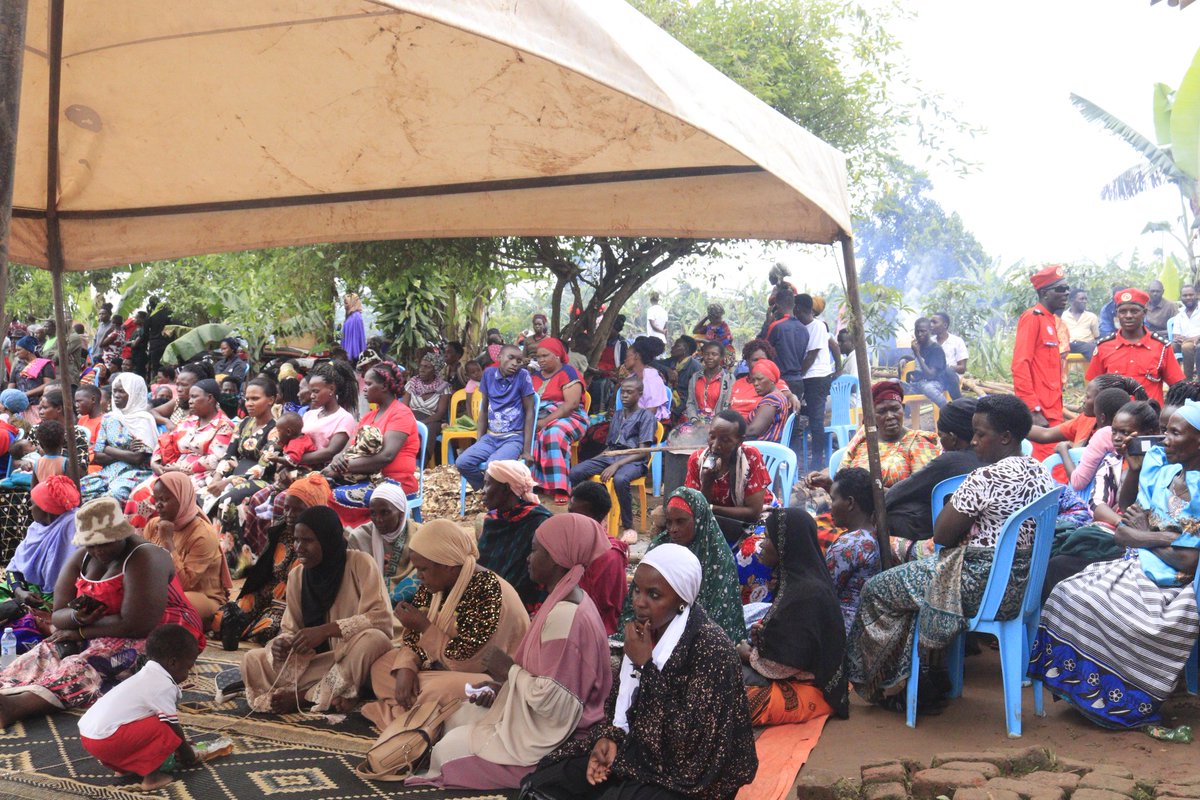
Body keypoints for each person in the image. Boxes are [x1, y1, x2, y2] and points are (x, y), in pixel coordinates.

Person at [845, 395, 1056, 713]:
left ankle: (888, 683)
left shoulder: (986, 477)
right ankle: (927, 675)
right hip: (1020, 586)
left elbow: (942, 535)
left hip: (978, 586)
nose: (973, 441)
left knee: (877, 589)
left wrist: (958, 497)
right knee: (910, 577)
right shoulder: (1040, 472)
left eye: (980, 434)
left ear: (1006, 437)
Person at [528, 544, 757, 800]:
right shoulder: (645, 631)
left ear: (682, 599)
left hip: (695, 774)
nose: (638, 601)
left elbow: (687, 747)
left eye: (654, 595)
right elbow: (621, 708)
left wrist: (645, 666)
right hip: (645, 747)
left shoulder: (710, 648)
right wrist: (611, 738)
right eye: (637, 589)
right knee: (551, 777)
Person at [1028, 400, 1200, 729]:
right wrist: (1154, 535)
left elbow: (1188, 561)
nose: (1164, 440)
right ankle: (1090, 693)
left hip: (1173, 585)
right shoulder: (1165, 472)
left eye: (1174, 434)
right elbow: (1123, 530)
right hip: (1137, 565)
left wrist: (1144, 534)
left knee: (1109, 608)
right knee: (1066, 592)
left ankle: (1125, 701)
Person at [411, 513, 612, 789]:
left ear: (556, 558)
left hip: (564, 735)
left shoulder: (565, 615)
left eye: (535, 550)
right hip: (535, 714)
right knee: (459, 715)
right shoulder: (565, 600)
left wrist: (507, 670)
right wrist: (501, 686)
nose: (528, 558)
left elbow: (558, 704)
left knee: (447, 753)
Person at [0, 496, 204, 728]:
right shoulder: (83, 558)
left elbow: (139, 624)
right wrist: (76, 618)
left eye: (105, 542)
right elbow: (59, 614)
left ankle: (19, 705)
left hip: (164, 633)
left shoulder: (145, 557)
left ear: (121, 534)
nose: (98, 550)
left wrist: (81, 632)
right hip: (104, 628)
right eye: (91, 544)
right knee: (49, 647)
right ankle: (7, 686)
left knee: (91, 661)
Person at [363, 518, 530, 728]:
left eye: (423, 569)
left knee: (438, 690)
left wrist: (425, 627)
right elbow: (412, 639)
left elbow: (469, 663)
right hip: (439, 667)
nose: (419, 576)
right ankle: (416, 715)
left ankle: (404, 715)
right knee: (381, 667)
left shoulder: (488, 591)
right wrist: (406, 667)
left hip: (486, 678)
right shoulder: (434, 584)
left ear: (448, 566)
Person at [241, 506, 392, 713]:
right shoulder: (297, 577)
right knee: (252, 660)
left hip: (354, 655)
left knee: (375, 640)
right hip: (321, 663)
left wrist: (326, 631)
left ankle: (305, 697)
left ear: (327, 539)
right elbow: (290, 629)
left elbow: (381, 619)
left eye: (308, 540)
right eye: (296, 539)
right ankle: (340, 691)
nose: (299, 547)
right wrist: (281, 645)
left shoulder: (360, 563)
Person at [1041, 399, 1162, 599]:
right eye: (1114, 431)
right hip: (1117, 532)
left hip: (1142, 539)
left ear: (1149, 433)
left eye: (1125, 432)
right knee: (1056, 561)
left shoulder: (1164, 465)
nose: (1117, 438)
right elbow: (1097, 505)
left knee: (1062, 566)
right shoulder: (1112, 462)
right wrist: (1121, 524)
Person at [740, 510, 849, 724]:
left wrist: (748, 655)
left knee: (719, 683)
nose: (762, 545)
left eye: (769, 539)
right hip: (798, 675)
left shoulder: (805, 594)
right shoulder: (799, 583)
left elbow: (787, 664)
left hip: (807, 686)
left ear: (785, 545)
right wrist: (763, 635)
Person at [77, 624, 202, 791]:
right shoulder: (162, 684)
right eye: (188, 667)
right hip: (107, 741)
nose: (188, 674)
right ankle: (153, 779)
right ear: (172, 662)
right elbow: (173, 726)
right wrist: (188, 753)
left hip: (90, 738)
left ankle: (124, 769)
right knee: (163, 727)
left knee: (148, 724)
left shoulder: (146, 674)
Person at [214, 472, 333, 647]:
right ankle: (240, 629)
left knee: (270, 628)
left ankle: (247, 632)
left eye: (299, 510)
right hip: (267, 593)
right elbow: (264, 573)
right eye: (287, 508)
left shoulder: (326, 540)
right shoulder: (280, 530)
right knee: (223, 618)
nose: (290, 515)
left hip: (293, 605)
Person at [618, 488, 745, 643]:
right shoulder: (661, 545)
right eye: (669, 522)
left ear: (699, 519)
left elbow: (720, 616)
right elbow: (637, 594)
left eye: (680, 522)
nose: (673, 530)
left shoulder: (718, 557)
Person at [326, 361, 422, 527]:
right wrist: (337, 458)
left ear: (384, 386)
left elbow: (386, 456)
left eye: (369, 384)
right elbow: (347, 448)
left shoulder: (401, 414)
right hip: (363, 478)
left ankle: (355, 540)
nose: (364, 388)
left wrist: (343, 467)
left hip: (393, 482)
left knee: (330, 497)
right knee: (315, 488)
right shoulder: (369, 417)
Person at [884, 398, 983, 556]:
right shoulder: (993, 455)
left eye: (941, 436)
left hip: (949, 547)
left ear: (952, 438)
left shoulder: (949, 461)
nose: (939, 441)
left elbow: (901, 491)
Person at [808, 380, 941, 490]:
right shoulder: (864, 437)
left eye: (895, 409)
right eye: (882, 411)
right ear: (872, 415)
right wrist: (827, 484)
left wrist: (875, 493)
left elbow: (922, 492)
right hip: (854, 512)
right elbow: (842, 485)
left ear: (903, 409)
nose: (890, 416)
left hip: (897, 514)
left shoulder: (917, 442)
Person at [569, 377, 657, 541]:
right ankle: (587, 516)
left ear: (640, 394)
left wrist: (616, 465)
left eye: (629, 392)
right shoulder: (617, 415)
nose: (624, 396)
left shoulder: (646, 417)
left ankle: (629, 527)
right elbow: (610, 445)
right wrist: (597, 459)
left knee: (620, 479)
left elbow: (643, 451)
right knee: (576, 471)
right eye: (622, 392)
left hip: (634, 459)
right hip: (612, 455)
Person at [144, 472, 230, 628]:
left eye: (164, 499)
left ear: (183, 498)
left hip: (201, 596)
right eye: (156, 499)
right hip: (161, 590)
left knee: (163, 607)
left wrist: (168, 542)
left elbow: (184, 584)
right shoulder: (154, 524)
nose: (158, 505)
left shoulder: (203, 534)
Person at [207, 376, 280, 557]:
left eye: (255, 399)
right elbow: (230, 454)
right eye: (247, 399)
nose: (249, 403)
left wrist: (228, 481)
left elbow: (264, 466)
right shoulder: (244, 423)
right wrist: (217, 477)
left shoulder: (276, 429)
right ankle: (209, 552)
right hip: (235, 477)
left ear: (271, 400)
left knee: (227, 501)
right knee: (200, 495)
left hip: (262, 480)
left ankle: (235, 559)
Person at [684, 410, 775, 544]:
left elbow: (753, 513)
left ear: (739, 441)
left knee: (755, 549)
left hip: (754, 518)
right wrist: (707, 482)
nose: (715, 445)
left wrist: (711, 508)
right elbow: (696, 508)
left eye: (725, 440)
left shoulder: (750, 457)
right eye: (712, 436)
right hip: (717, 519)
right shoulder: (697, 460)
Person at [457, 344, 537, 490]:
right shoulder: (488, 374)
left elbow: (530, 412)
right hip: (491, 437)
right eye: (511, 358)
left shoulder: (522, 376)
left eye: (519, 361)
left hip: (513, 438)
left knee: (492, 466)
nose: (515, 363)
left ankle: (493, 495)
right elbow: (484, 411)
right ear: (499, 357)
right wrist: (479, 441)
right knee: (463, 462)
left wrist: (526, 450)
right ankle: (486, 490)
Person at [1087, 287, 1183, 406]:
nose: (1128, 316)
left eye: (1134, 311)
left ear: (1144, 313)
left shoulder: (1161, 347)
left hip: (1150, 419)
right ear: (1117, 314)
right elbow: (1093, 386)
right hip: (1114, 419)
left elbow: (1177, 386)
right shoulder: (1104, 347)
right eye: (1123, 311)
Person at [1012, 264, 1071, 460]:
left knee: (1055, 463)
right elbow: (1020, 364)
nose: (1066, 293)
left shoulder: (1050, 321)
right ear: (1045, 293)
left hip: (1052, 408)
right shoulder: (1032, 318)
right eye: (1060, 289)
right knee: (1047, 465)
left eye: (1067, 288)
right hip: (1041, 412)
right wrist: (1032, 408)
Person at [478, 460, 553, 610]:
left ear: (506, 488)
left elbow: (533, 577)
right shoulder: (492, 520)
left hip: (520, 603)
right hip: (490, 596)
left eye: (487, 484)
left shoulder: (538, 522)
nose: (483, 490)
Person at [79, 373, 157, 504]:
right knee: (80, 488)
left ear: (133, 392)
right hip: (111, 469)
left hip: (137, 471)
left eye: (122, 391)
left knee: (113, 494)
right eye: (115, 391)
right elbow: (98, 455)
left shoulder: (143, 420)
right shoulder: (109, 418)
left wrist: (107, 448)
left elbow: (137, 458)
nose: (116, 395)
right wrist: (125, 450)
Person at [530, 338, 589, 505]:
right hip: (539, 417)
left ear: (557, 355)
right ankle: (537, 483)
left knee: (553, 433)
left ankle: (560, 487)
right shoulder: (534, 376)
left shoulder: (569, 373)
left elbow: (571, 404)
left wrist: (545, 421)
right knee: (527, 435)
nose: (540, 360)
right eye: (538, 357)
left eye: (545, 356)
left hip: (570, 417)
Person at [823, 467, 882, 632]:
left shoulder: (850, 544)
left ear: (850, 503)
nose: (830, 507)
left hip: (843, 629)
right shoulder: (875, 535)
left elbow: (824, 591)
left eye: (833, 499)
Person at [568, 481, 630, 635]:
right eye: (570, 512)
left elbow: (602, 607)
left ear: (595, 519)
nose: (571, 519)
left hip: (597, 627)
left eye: (578, 515)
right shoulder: (570, 541)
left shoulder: (610, 556)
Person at [8, 475, 80, 594]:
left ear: (45, 508)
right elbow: (13, 567)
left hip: (56, 597)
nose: (30, 508)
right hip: (25, 590)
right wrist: (19, 591)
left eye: (32, 503)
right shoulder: (35, 528)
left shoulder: (70, 527)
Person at [764, 285, 810, 462]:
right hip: (798, 379)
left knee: (778, 422)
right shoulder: (803, 328)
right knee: (794, 423)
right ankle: (793, 463)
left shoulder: (776, 326)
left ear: (777, 304)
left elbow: (766, 351)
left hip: (781, 381)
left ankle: (776, 460)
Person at [346, 483, 414, 596]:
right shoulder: (359, 537)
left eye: (385, 512)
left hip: (410, 602)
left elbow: (424, 576)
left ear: (401, 514)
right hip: (370, 600)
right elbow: (353, 579)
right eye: (373, 513)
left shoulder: (417, 534)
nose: (378, 519)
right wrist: (375, 570)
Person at [796, 293, 838, 469]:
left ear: (798, 309)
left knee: (816, 420)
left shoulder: (818, 326)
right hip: (808, 377)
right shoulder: (801, 327)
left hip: (817, 377)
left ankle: (817, 463)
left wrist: (838, 368)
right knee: (804, 413)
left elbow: (812, 355)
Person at [300, 362, 358, 469]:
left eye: (316, 391)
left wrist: (294, 459)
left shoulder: (344, 418)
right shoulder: (308, 415)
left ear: (331, 389)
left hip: (322, 472)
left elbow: (331, 452)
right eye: (311, 391)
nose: (312, 396)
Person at [402, 351, 452, 451]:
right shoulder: (412, 383)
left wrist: (421, 423)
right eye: (421, 366)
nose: (422, 370)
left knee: (428, 430)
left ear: (435, 370)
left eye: (427, 367)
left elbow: (440, 413)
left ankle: (422, 460)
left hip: (432, 419)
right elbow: (404, 408)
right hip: (412, 416)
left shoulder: (443, 387)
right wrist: (413, 422)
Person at [907, 317, 960, 408]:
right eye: (917, 331)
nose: (919, 334)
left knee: (927, 388)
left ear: (930, 331)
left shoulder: (936, 349)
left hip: (935, 384)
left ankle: (950, 411)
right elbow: (914, 362)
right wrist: (904, 360)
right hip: (917, 385)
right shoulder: (918, 346)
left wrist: (917, 354)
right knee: (894, 383)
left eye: (923, 331)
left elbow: (930, 375)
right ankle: (902, 412)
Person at [684, 340, 733, 422]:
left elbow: (728, 406)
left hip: (719, 423)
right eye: (706, 354)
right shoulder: (695, 377)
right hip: (696, 421)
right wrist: (695, 420)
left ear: (721, 357)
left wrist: (715, 423)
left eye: (714, 354)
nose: (709, 357)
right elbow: (690, 403)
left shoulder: (729, 379)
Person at [7, 335, 54, 420]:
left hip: (38, 406)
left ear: (28, 350)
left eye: (19, 350)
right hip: (19, 407)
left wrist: (26, 394)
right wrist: (10, 397)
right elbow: (11, 385)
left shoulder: (45, 364)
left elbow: (48, 385)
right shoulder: (18, 366)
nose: (16, 353)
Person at [743, 359, 789, 442]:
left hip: (762, 450)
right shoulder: (779, 396)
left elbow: (753, 431)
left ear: (771, 380)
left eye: (760, 379)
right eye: (753, 380)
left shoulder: (772, 399)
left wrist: (731, 432)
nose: (755, 383)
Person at [624, 337, 670, 421]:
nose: (624, 360)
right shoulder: (631, 377)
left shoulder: (651, 378)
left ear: (637, 356)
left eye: (627, 356)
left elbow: (651, 411)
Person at [1063, 288, 1100, 361]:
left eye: (1086, 299)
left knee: (1093, 348)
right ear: (1072, 300)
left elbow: (1097, 337)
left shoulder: (1091, 317)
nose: (1085, 301)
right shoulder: (1062, 316)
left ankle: (1095, 371)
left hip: (1086, 346)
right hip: (1068, 345)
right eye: (1081, 299)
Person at [1172, 284, 1200, 379]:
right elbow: (1176, 333)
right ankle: (1174, 379)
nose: (1188, 297)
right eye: (1185, 295)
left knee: (1187, 347)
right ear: (1181, 297)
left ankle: (1188, 380)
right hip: (1184, 341)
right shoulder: (1179, 314)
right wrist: (1177, 338)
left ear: (1196, 295)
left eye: (1191, 295)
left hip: (1197, 341)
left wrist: (1196, 337)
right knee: (1167, 347)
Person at [342, 293, 367, 362]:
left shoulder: (356, 318)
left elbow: (355, 340)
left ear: (353, 302)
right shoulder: (352, 316)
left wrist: (350, 356)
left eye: (346, 303)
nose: (344, 306)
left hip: (353, 358)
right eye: (344, 303)